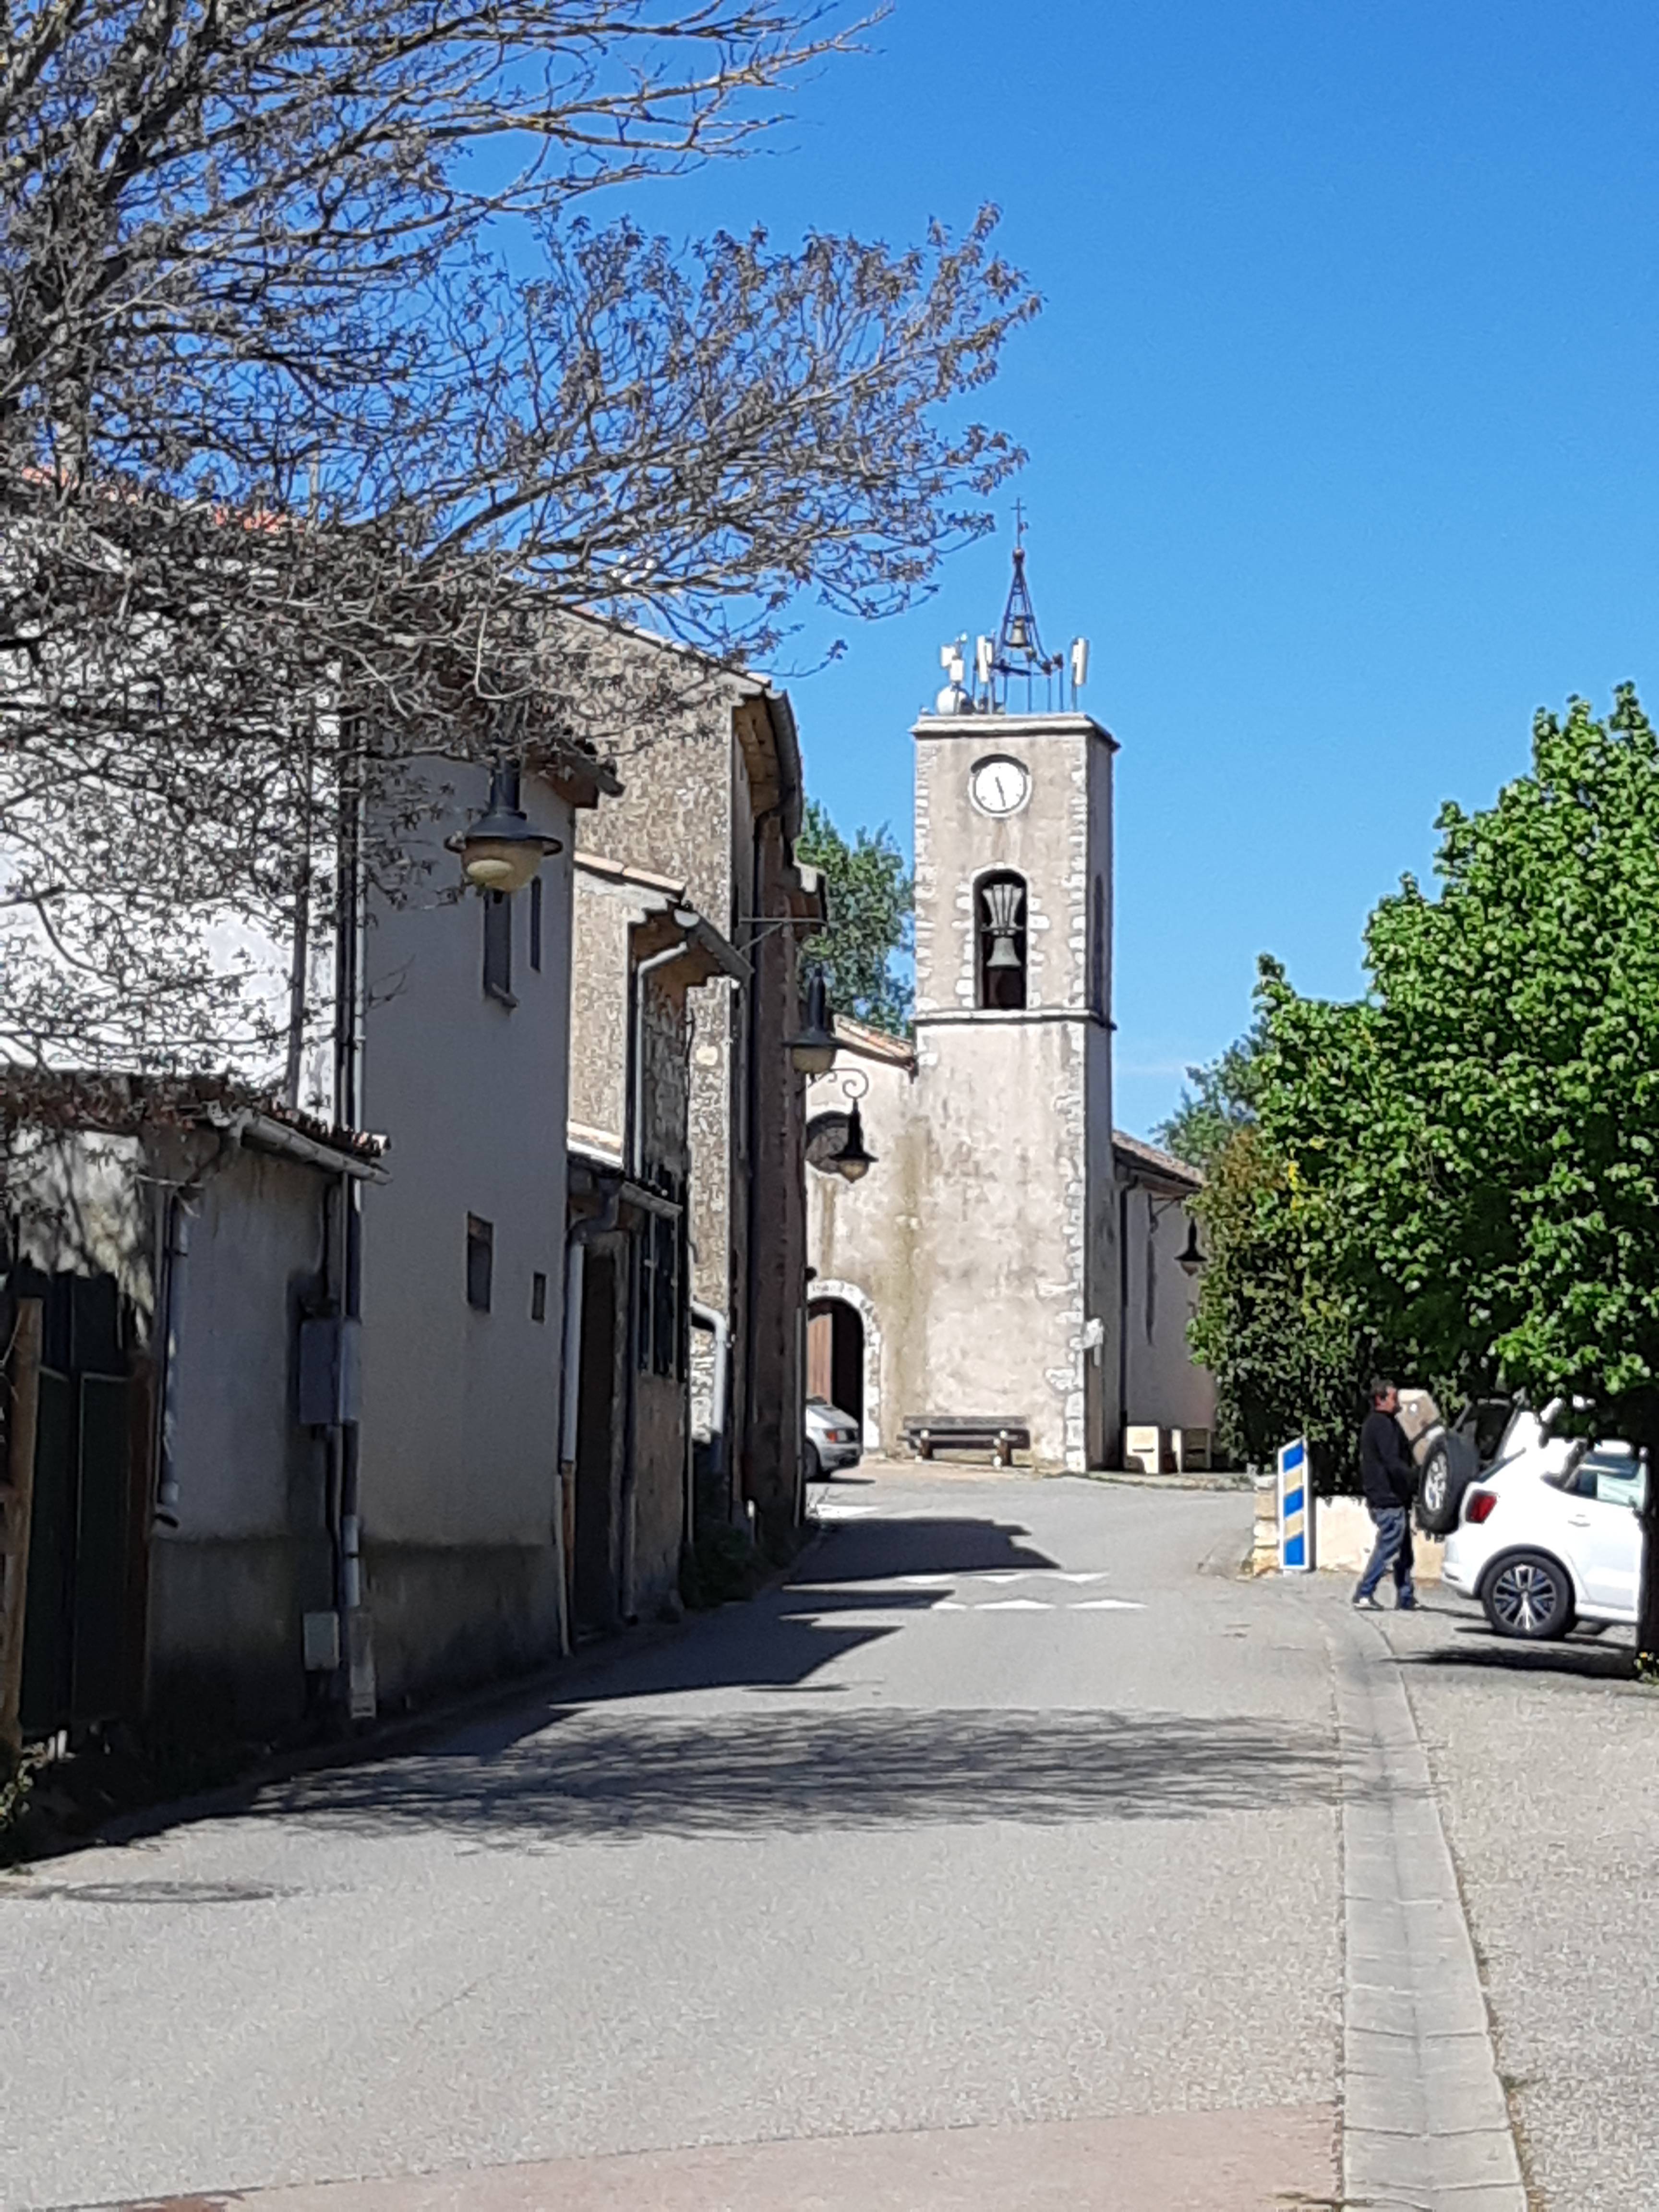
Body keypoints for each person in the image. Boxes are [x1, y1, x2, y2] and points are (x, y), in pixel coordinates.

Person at [1355, 1378, 1419, 1611]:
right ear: (1380, 1399)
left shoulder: (1384, 1423)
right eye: (1393, 1397)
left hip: (1393, 1497)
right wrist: (1414, 1477)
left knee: (1403, 1551)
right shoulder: (1380, 1424)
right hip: (1386, 1497)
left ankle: (1405, 1596)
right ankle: (1364, 1593)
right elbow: (1392, 1462)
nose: (1397, 1402)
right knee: (1389, 1547)